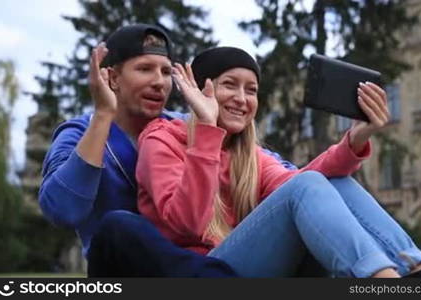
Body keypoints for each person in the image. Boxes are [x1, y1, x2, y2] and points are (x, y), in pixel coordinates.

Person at [135, 46, 421, 278]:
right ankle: (381, 279)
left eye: (251, 90)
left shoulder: (248, 156)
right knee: (310, 184)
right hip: (198, 273)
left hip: (245, 266)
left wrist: (355, 140)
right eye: (229, 85)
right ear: (199, 90)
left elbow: (306, 188)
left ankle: (418, 272)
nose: (242, 98)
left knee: (336, 182)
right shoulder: (161, 139)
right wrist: (206, 130)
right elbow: (187, 223)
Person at [38, 24, 299, 277]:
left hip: (191, 261)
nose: (159, 82)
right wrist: (103, 115)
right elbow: (62, 210)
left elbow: (267, 164)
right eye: (144, 69)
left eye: (165, 72)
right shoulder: (79, 132)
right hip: (123, 266)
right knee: (120, 224)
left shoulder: (182, 127)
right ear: (113, 78)